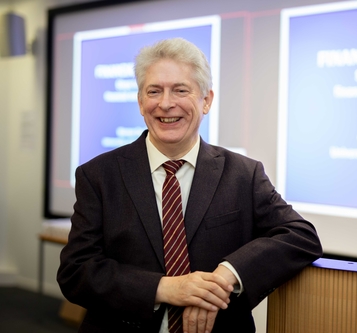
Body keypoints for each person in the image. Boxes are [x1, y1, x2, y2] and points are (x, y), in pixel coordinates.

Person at [57, 37, 323, 333]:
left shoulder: (242, 174)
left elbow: (301, 235)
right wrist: (168, 289)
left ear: (206, 100)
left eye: (180, 90)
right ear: (141, 102)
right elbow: (76, 272)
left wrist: (224, 276)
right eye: (154, 91)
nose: (166, 103)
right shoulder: (98, 175)